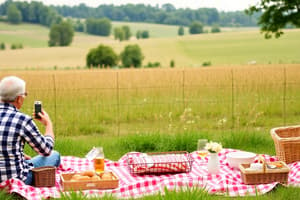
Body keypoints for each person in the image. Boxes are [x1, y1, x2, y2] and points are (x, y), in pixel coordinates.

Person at [0, 76, 60, 185]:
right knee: (55, 155)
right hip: (16, 179)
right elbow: (46, 150)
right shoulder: (22, 120)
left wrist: (20, 154)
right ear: (19, 98)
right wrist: (48, 124)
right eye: (24, 95)